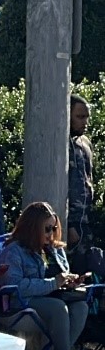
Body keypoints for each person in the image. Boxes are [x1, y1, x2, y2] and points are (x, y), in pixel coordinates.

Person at [1, 202, 96, 350]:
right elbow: (14, 287)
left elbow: (60, 278)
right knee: (58, 307)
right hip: (22, 304)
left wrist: (70, 281)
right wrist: (53, 283)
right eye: (46, 228)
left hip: (53, 297)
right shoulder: (14, 251)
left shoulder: (55, 250)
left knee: (81, 307)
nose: (51, 234)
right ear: (33, 227)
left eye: (53, 228)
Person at [69, 94, 94, 248]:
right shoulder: (59, 143)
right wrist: (70, 224)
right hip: (67, 222)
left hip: (85, 220)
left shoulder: (85, 143)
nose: (85, 122)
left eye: (87, 117)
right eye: (80, 117)